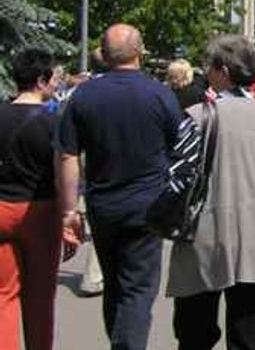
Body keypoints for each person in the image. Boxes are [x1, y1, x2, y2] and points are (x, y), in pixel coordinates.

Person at [56, 24, 183, 350]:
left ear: (103, 53)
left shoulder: (82, 95)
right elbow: (180, 148)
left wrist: (69, 210)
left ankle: (120, 341)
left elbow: (68, 155)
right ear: (140, 52)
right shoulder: (160, 94)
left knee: (114, 284)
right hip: (148, 206)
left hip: (103, 206)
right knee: (138, 290)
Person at [167, 34, 255, 350]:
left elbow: (178, 177)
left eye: (210, 67)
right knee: (251, 336)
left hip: (203, 238)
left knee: (194, 335)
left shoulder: (195, 118)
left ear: (223, 70)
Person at [0, 49, 73, 350]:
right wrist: (70, 215)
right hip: (40, 211)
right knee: (40, 295)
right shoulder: (53, 123)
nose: (56, 84)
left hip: (2, 208)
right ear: (41, 81)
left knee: (3, 294)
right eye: (53, 78)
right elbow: (62, 171)